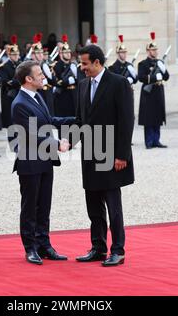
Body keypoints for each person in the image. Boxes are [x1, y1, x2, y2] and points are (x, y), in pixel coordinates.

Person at [73, 45, 135, 267]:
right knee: (93, 205)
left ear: (97, 62)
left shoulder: (119, 83)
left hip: (111, 154)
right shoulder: (82, 85)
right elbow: (81, 120)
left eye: (85, 64)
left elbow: (127, 121)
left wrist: (122, 155)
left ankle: (118, 249)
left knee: (113, 205)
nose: (82, 68)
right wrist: (67, 142)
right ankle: (98, 247)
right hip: (89, 154)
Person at [11, 60, 76, 265]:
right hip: (30, 162)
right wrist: (58, 144)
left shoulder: (37, 96)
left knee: (44, 206)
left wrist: (76, 119)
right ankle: (30, 248)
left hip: (45, 160)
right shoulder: (19, 103)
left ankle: (44, 245)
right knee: (30, 207)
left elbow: (49, 120)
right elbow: (30, 134)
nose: (43, 76)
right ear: (28, 79)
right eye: (39, 73)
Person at [138, 32, 169, 149]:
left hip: (158, 92)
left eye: (156, 49)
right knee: (149, 117)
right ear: (148, 51)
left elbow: (167, 77)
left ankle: (157, 140)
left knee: (158, 116)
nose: (155, 52)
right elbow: (141, 77)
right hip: (148, 93)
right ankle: (149, 141)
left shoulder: (159, 62)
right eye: (152, 50)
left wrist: (163, 69)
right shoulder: (143, 64)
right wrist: (155, 77)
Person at [53, 34, 78, 117]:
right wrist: (68, 81)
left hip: (73, 96)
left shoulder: (73, 65)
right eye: (65, 52)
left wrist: (75, 79)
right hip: (63, 97)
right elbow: (57, 82)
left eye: (69, 52)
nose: (68, 54)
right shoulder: (57, 66)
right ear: (60, 54)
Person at [0, 35, 21, 128]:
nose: (16, 56)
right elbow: (6, 82)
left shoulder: (21, 65)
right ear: (9, 55)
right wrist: (19, 81)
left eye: (17, 54)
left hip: (19, 95)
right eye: (14, 54)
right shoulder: (4, 66)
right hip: (9, 96)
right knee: (11, 123)